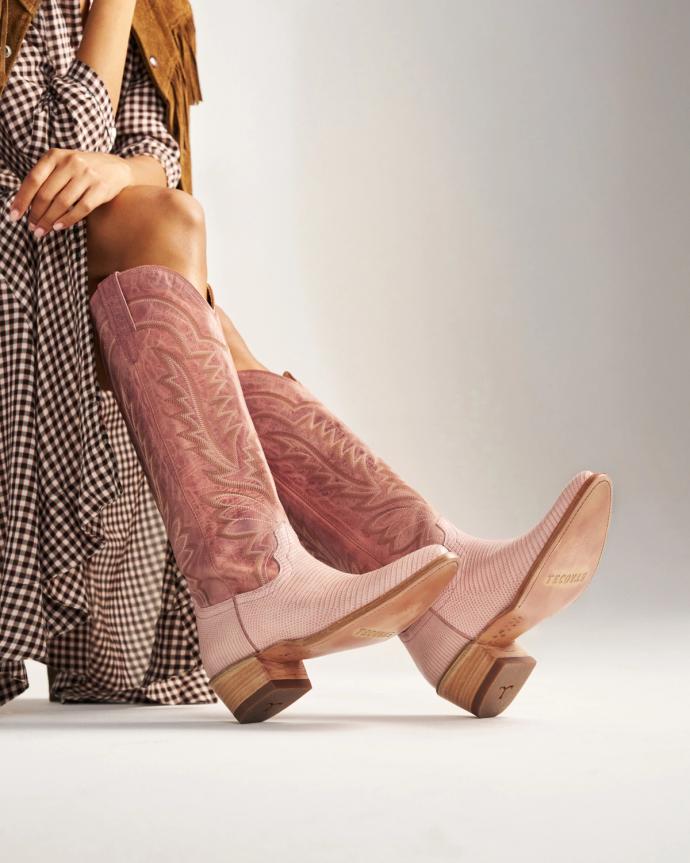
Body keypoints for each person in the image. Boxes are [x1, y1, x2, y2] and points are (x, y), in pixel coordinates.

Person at [0, 0, 611, 723]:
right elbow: (52, 163)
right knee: (167, 230)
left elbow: (152, 154)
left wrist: (118, 162)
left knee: (183, 260)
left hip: (63, 286)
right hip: (18, 266)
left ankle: (387, 579)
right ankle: (334, 590)